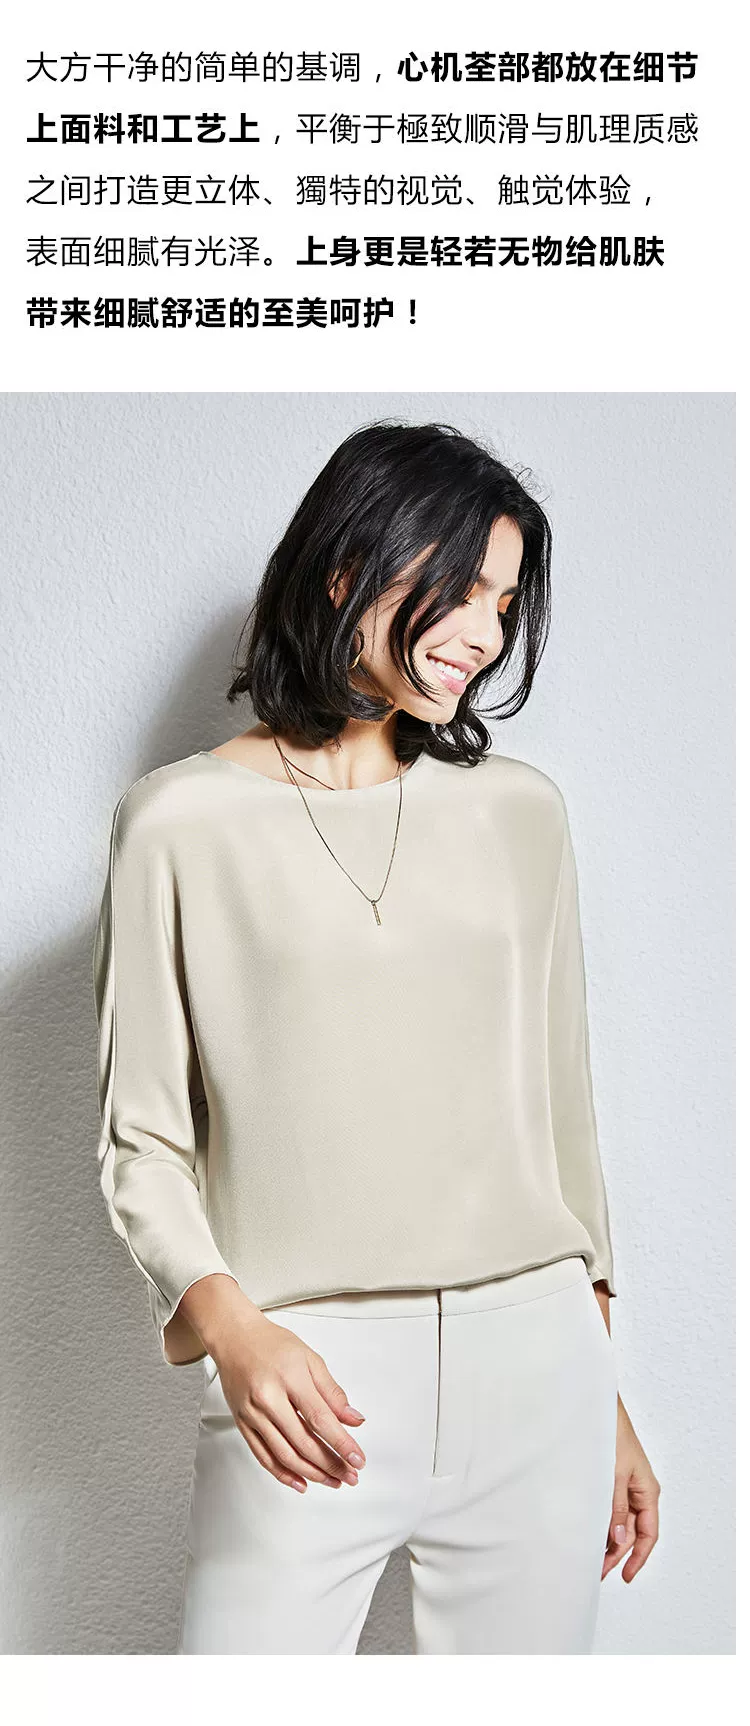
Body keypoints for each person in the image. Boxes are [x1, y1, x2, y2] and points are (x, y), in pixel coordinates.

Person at [92, 420, 660, 1655]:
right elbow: (140, 1140)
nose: (485, 633)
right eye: (462, 588)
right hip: (307, 1368)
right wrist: (233, 1330)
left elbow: (563, 1121)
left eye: (505, 602)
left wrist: (604, 1399)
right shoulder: (178, 823)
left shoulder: (521, 814)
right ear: (347, 567)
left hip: (540, 1366)